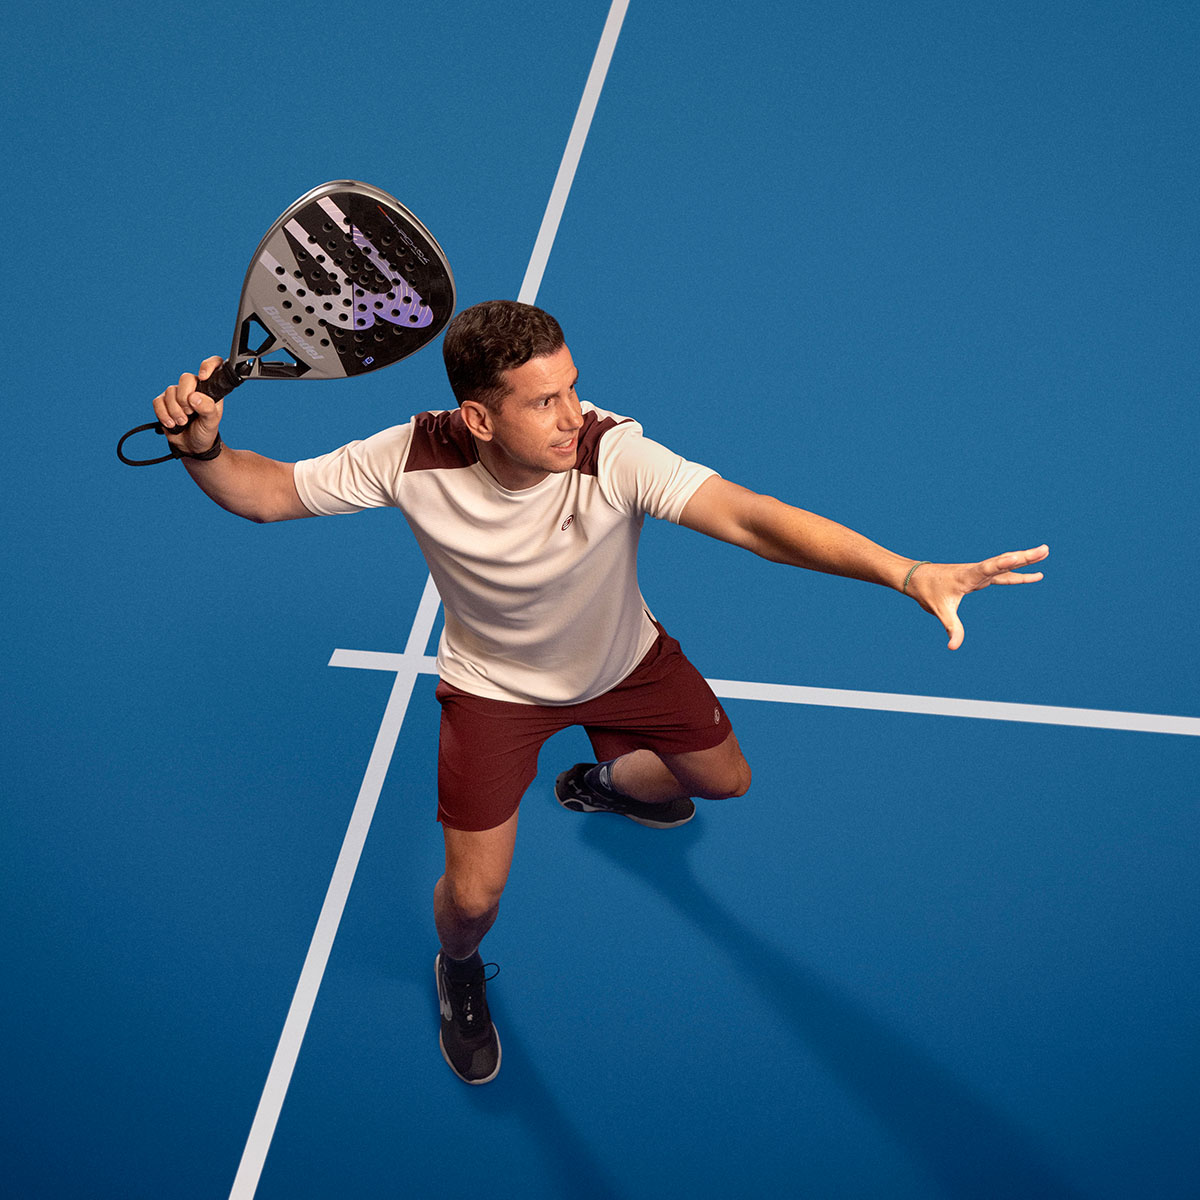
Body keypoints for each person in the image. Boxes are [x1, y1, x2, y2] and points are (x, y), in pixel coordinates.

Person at [152, 299, 1048, 1085]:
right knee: (473, 901)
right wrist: (203, 448)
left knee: (725, 782)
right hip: (494, 691)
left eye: (573, 387)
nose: (572, 413)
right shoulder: (410, 456)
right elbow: (268, 494)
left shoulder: (611, 450)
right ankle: (457, 969)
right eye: (544, 401)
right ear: (477, 417)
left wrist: (906, 571)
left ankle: (603, 782)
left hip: (628, 664)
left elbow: (752, 519)